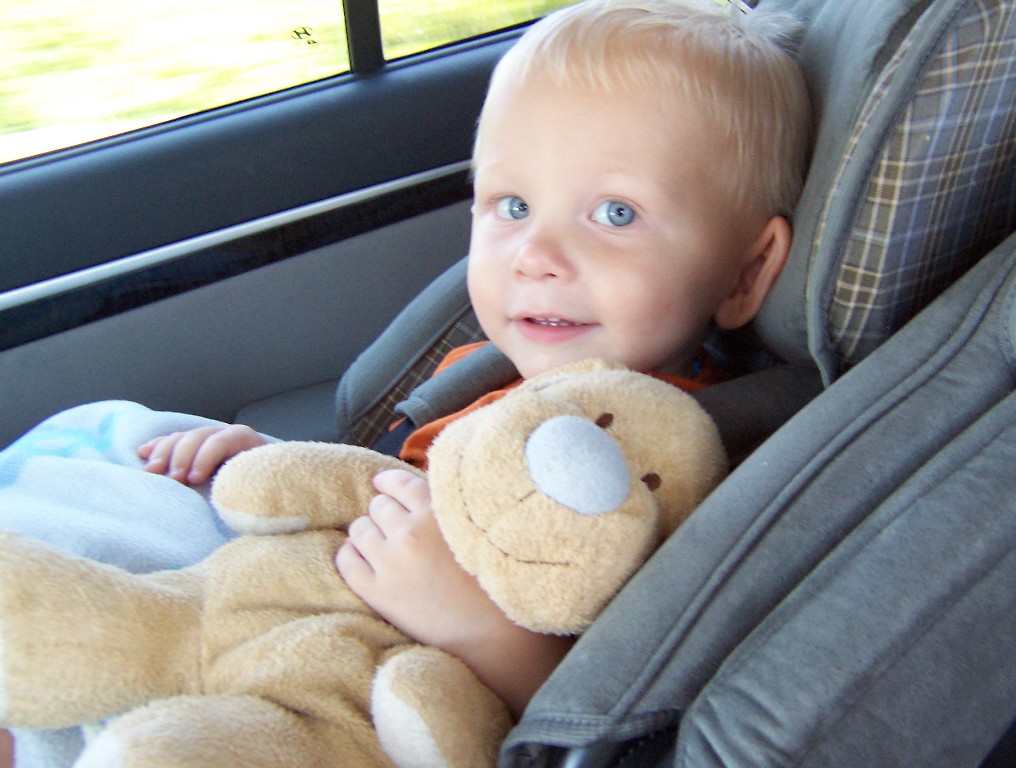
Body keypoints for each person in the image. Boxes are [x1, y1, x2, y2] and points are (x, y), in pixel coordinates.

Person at [135, 0, 812, 728]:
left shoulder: (685, 472)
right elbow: (395, 490)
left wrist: (481, 631)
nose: (535, 255)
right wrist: (285, 469)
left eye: (616, 213)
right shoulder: (484, 374)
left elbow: (631, 720)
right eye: (513, 205)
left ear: (746, 273)